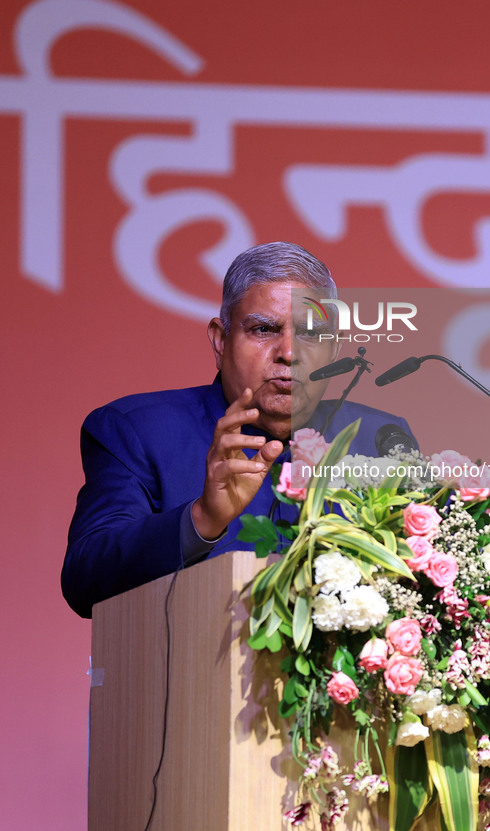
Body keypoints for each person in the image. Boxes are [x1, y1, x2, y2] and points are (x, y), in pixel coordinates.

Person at [62, 243, 415, 617]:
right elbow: (86, 578)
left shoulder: (380, 438)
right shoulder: (138, 430)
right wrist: (201, 520)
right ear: (220, 340)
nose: (290, 353)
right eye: (264, 329)